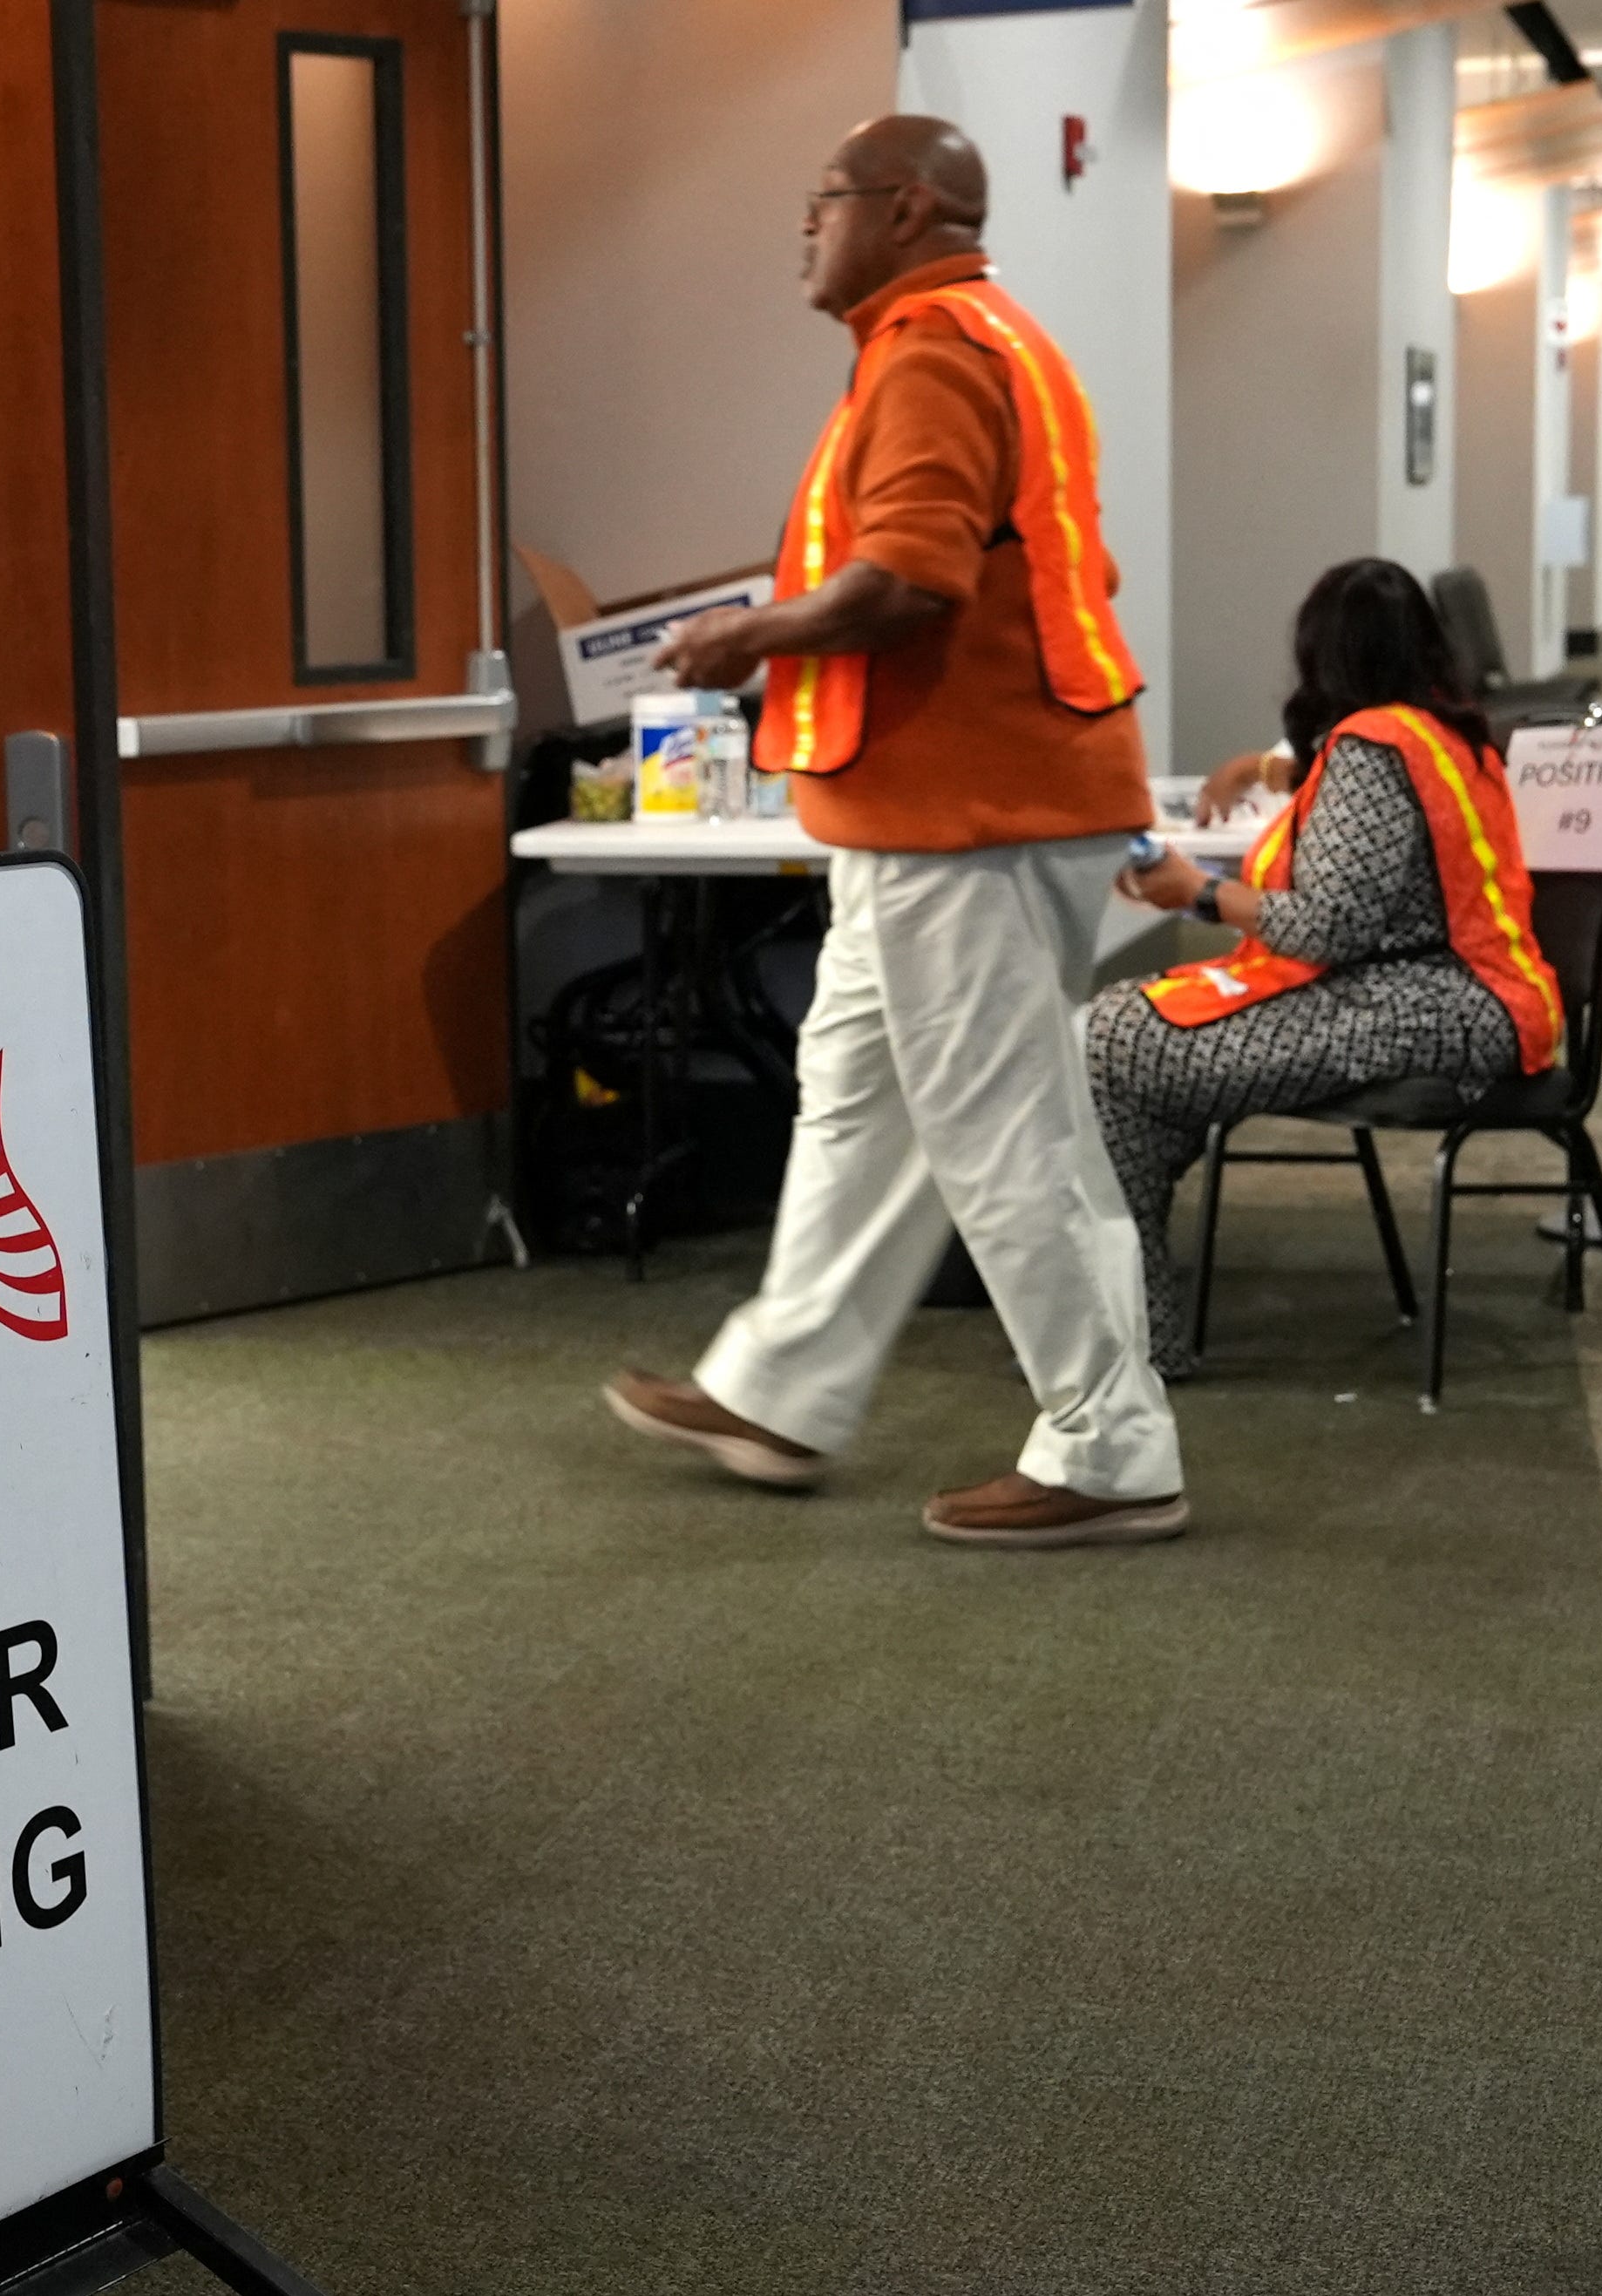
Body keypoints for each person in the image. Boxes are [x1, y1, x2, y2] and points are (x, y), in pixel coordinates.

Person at [601, 114, 1185, 1550]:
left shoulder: (929, 350)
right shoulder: (982, 340)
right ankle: (783, 1385)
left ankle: (1111, 1449)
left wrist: (744, 633)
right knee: (855, 1102)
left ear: (908, 207)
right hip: (940, 811)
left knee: (1006, 1140)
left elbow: (909, 581)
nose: (803, 228)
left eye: (822, 201)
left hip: (963, 813)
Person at [1093, 559, 1564, 1376]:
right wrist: (1263, 768)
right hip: (1477, 1002)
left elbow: (1328, 926)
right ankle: (1126, 1332)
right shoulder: (1444, 733)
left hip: (1426, 1010)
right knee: (1129, 1057)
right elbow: (1362, 822)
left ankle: (1133, 1339)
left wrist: (1196, 893)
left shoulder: (1372, 748)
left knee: (1114, 1038)